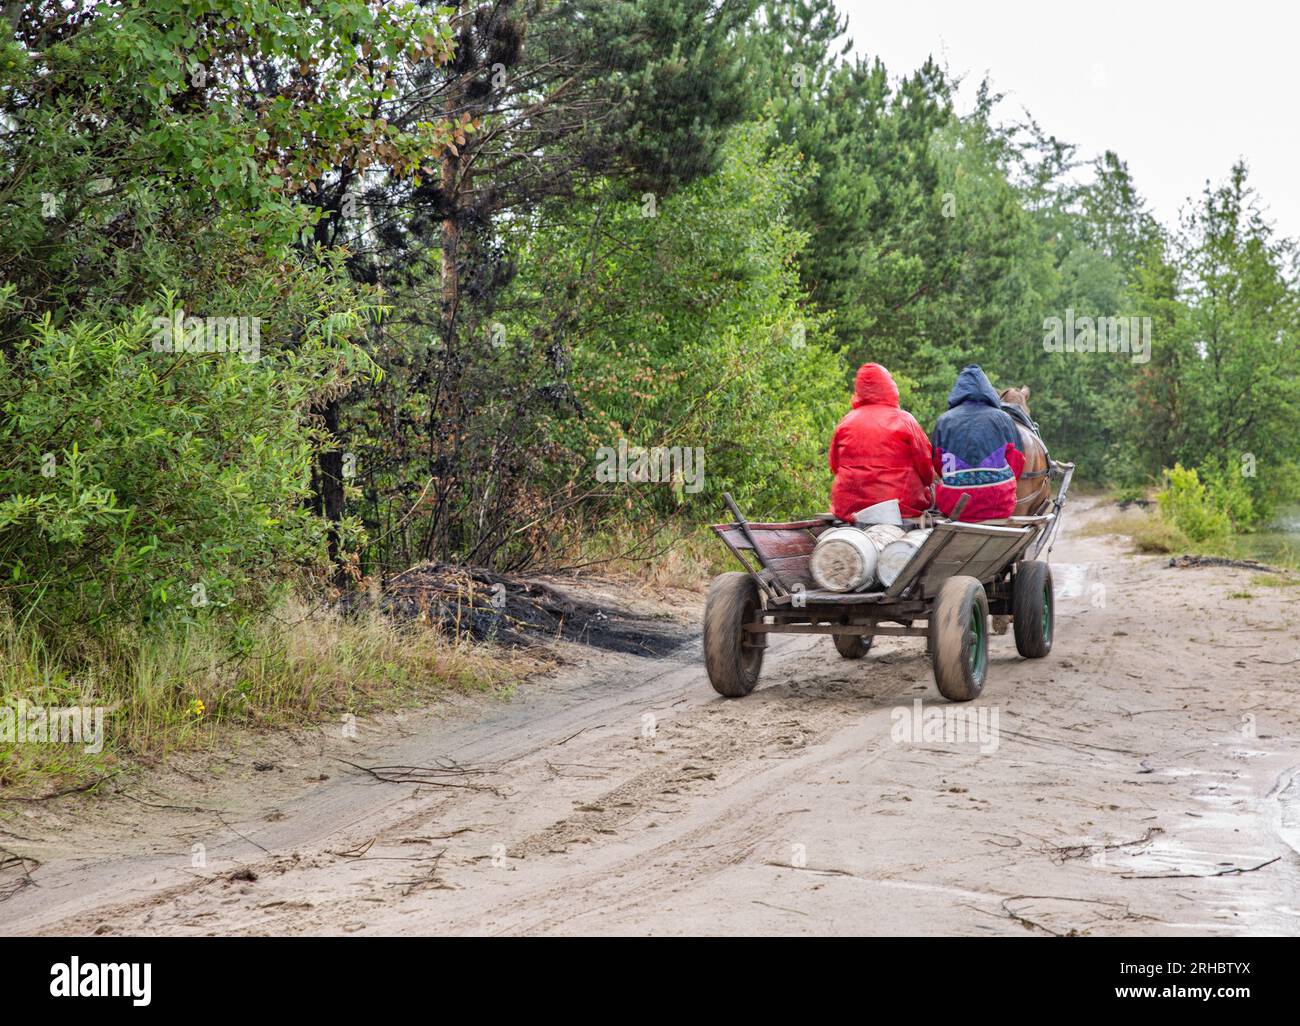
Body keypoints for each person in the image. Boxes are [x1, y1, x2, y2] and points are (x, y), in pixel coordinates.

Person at [828, 363, 934, 522]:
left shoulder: (845, 422)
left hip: (849, 509)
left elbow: (835, 466)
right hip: (900, 508)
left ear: (858, 391)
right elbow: (926, 469)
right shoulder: (904, 419)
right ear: (889, 387)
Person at [930, 365, 1025, 521]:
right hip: (999, 504)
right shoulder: (1004, 419)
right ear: (988, 391)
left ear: (958, 392)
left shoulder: (944, 421)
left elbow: (937, 464)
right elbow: (1018, 461)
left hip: (954, 506)